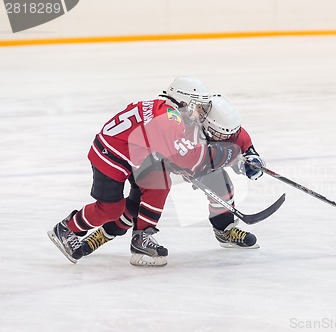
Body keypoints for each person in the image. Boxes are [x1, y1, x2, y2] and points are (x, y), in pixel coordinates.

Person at [47, 77, 265, 266]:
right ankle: (68, 228)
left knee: (159, 188)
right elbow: (191, 160)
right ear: (184, 101)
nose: (201, 109)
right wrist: (231, 156)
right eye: (197, 104)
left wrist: (249, 152)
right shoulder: (170, 118)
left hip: (142, 154)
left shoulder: (179, 112)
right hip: (113, 155)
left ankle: (144, 237)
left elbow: (230, 132)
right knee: (112, 209)